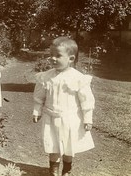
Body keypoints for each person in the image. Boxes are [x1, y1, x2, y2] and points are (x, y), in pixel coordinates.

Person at [32, 36, 95, 176]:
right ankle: (53, 170)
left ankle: (66, 170)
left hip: (70, 119)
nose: (53, 58)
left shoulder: (78, 78)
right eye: (51, 55)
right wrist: (37, 111)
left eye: (58, 56)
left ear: (71, 59)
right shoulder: (46, 77)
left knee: (69, 147)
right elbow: (39, 96)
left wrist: (87, 118)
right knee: (53, 145)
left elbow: (87, 100)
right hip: (50, 117)